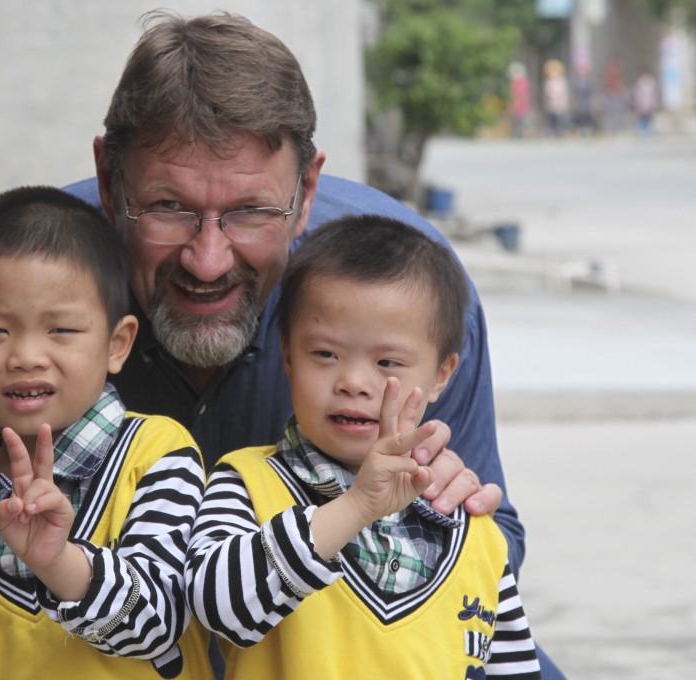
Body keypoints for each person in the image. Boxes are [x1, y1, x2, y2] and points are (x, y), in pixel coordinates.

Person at [0, 10, 565, 679]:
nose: (208, 259)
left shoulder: (408, 299)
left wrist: (446, 516)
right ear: (109, 180)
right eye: (168, 207)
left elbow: (493, 558)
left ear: (306, 192)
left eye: (249, 212)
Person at [185, 215, 541, 679]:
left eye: (387, 361)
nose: (353, 382)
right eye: (325, 354)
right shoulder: (246, 486)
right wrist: (355, 508)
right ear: (287, 356)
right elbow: (216, 609)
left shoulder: (472, 526)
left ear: (442, 375)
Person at [0, 186, 212, 678]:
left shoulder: (158, 456)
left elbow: (159, 624)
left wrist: (59, 562)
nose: (26, 356)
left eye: (61, 330)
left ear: (117, 343)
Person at [542, 58, 570, 137]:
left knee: (560, 118)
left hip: (559, 103)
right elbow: (547, 92)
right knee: (552, 118)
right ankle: (553, 131)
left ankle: (560, 131)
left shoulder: (562, 81)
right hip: (551, 103)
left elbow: (563, 92)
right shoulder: (548, 81)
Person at [507, 61, 531, 139]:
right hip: (514, 104)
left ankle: (520, 133)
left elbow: (525, 94)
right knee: (514, 120)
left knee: (521, 120)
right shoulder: (511, 83)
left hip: (522, 104)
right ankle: (515, 133)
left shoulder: (524, 83)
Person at [634, 67, 659, 136]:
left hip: (650, 102)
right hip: (642, 102)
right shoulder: (640, 81)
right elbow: (638, 93)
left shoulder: (652, 81)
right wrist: (637, 102)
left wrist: (654, 102)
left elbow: (654, 93)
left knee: (649, 117)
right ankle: (643, 131)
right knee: (642, 117)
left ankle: (649, 131)